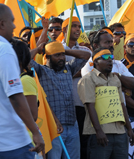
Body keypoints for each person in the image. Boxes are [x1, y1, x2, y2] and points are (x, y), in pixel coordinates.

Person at [0, 3, 44, 158]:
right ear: (2, 24)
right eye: (12, 21)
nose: (15, 26)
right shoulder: (3, 49)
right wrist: (35, 131)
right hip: (11, 142)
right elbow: (15, 96)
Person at [30, 41, 90, 159]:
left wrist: (64, 50)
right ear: (47, 57)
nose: (61, 58)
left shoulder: (69, 68)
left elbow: (86, 55)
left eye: (62, 55)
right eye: (57, 55)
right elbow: (24, 59)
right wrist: (38, 49)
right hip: (54, 127)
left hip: (72, 124)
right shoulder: (41, 71)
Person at [78, 48, 134, 159]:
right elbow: (90, 105)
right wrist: (98, 131)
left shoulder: (116, 79)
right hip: (101, 134)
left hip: (120, 132)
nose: (110, 61)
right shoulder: (88, 79)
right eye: (105, 57)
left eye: (111, 58)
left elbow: (122, 105)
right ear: (95, 61)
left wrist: (129, 128)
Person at [61, 16, 92, 159]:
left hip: (82, 102)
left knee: (83, 141)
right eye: (74, 26)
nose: (78, 29)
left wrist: (64, 53)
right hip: (64, 105)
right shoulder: (56, 47)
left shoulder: (84, 49)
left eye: (79, 26)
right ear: (65, 30)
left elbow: (88, 59)